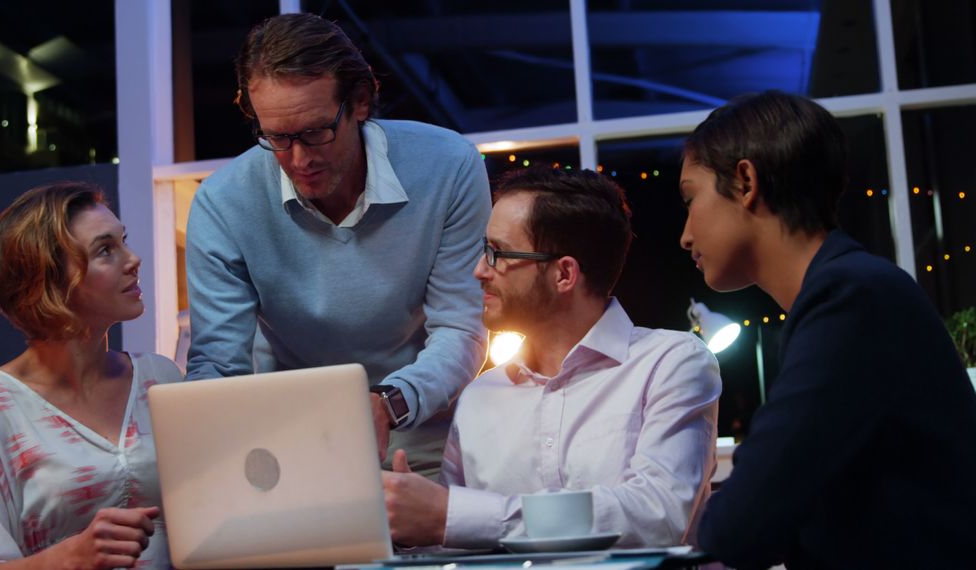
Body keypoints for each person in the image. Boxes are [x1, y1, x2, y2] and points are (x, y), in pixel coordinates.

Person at [681, 91, 976, 568]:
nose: (685, 235)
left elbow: (737, 528)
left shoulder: (850, 298)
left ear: (745, 181)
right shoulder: (851, 289)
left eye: (691, 199)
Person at [184, 13, 490, 470]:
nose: (299, 159)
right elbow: (219, 363)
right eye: (277, 138)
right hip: (286, 445)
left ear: (361, 101)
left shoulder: (449, 166)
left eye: (315, 132)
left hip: (417, 434)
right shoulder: (221, 202)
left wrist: (390, 403)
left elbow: (460, 329)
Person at [381, 167, 722, 549]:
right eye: (482, 251)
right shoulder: (480, 395)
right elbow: (456, 542)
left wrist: (454, 515)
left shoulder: (670, 364)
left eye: (496, 254)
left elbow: (656, 515)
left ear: (564, 274)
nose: (479, 271)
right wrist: (409, 528)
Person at [0, 182, 182, 569]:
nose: (133, 259)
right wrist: (70, 557)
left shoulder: (159, 377)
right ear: (50, 282)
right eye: (105, 250)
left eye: (123, 241)